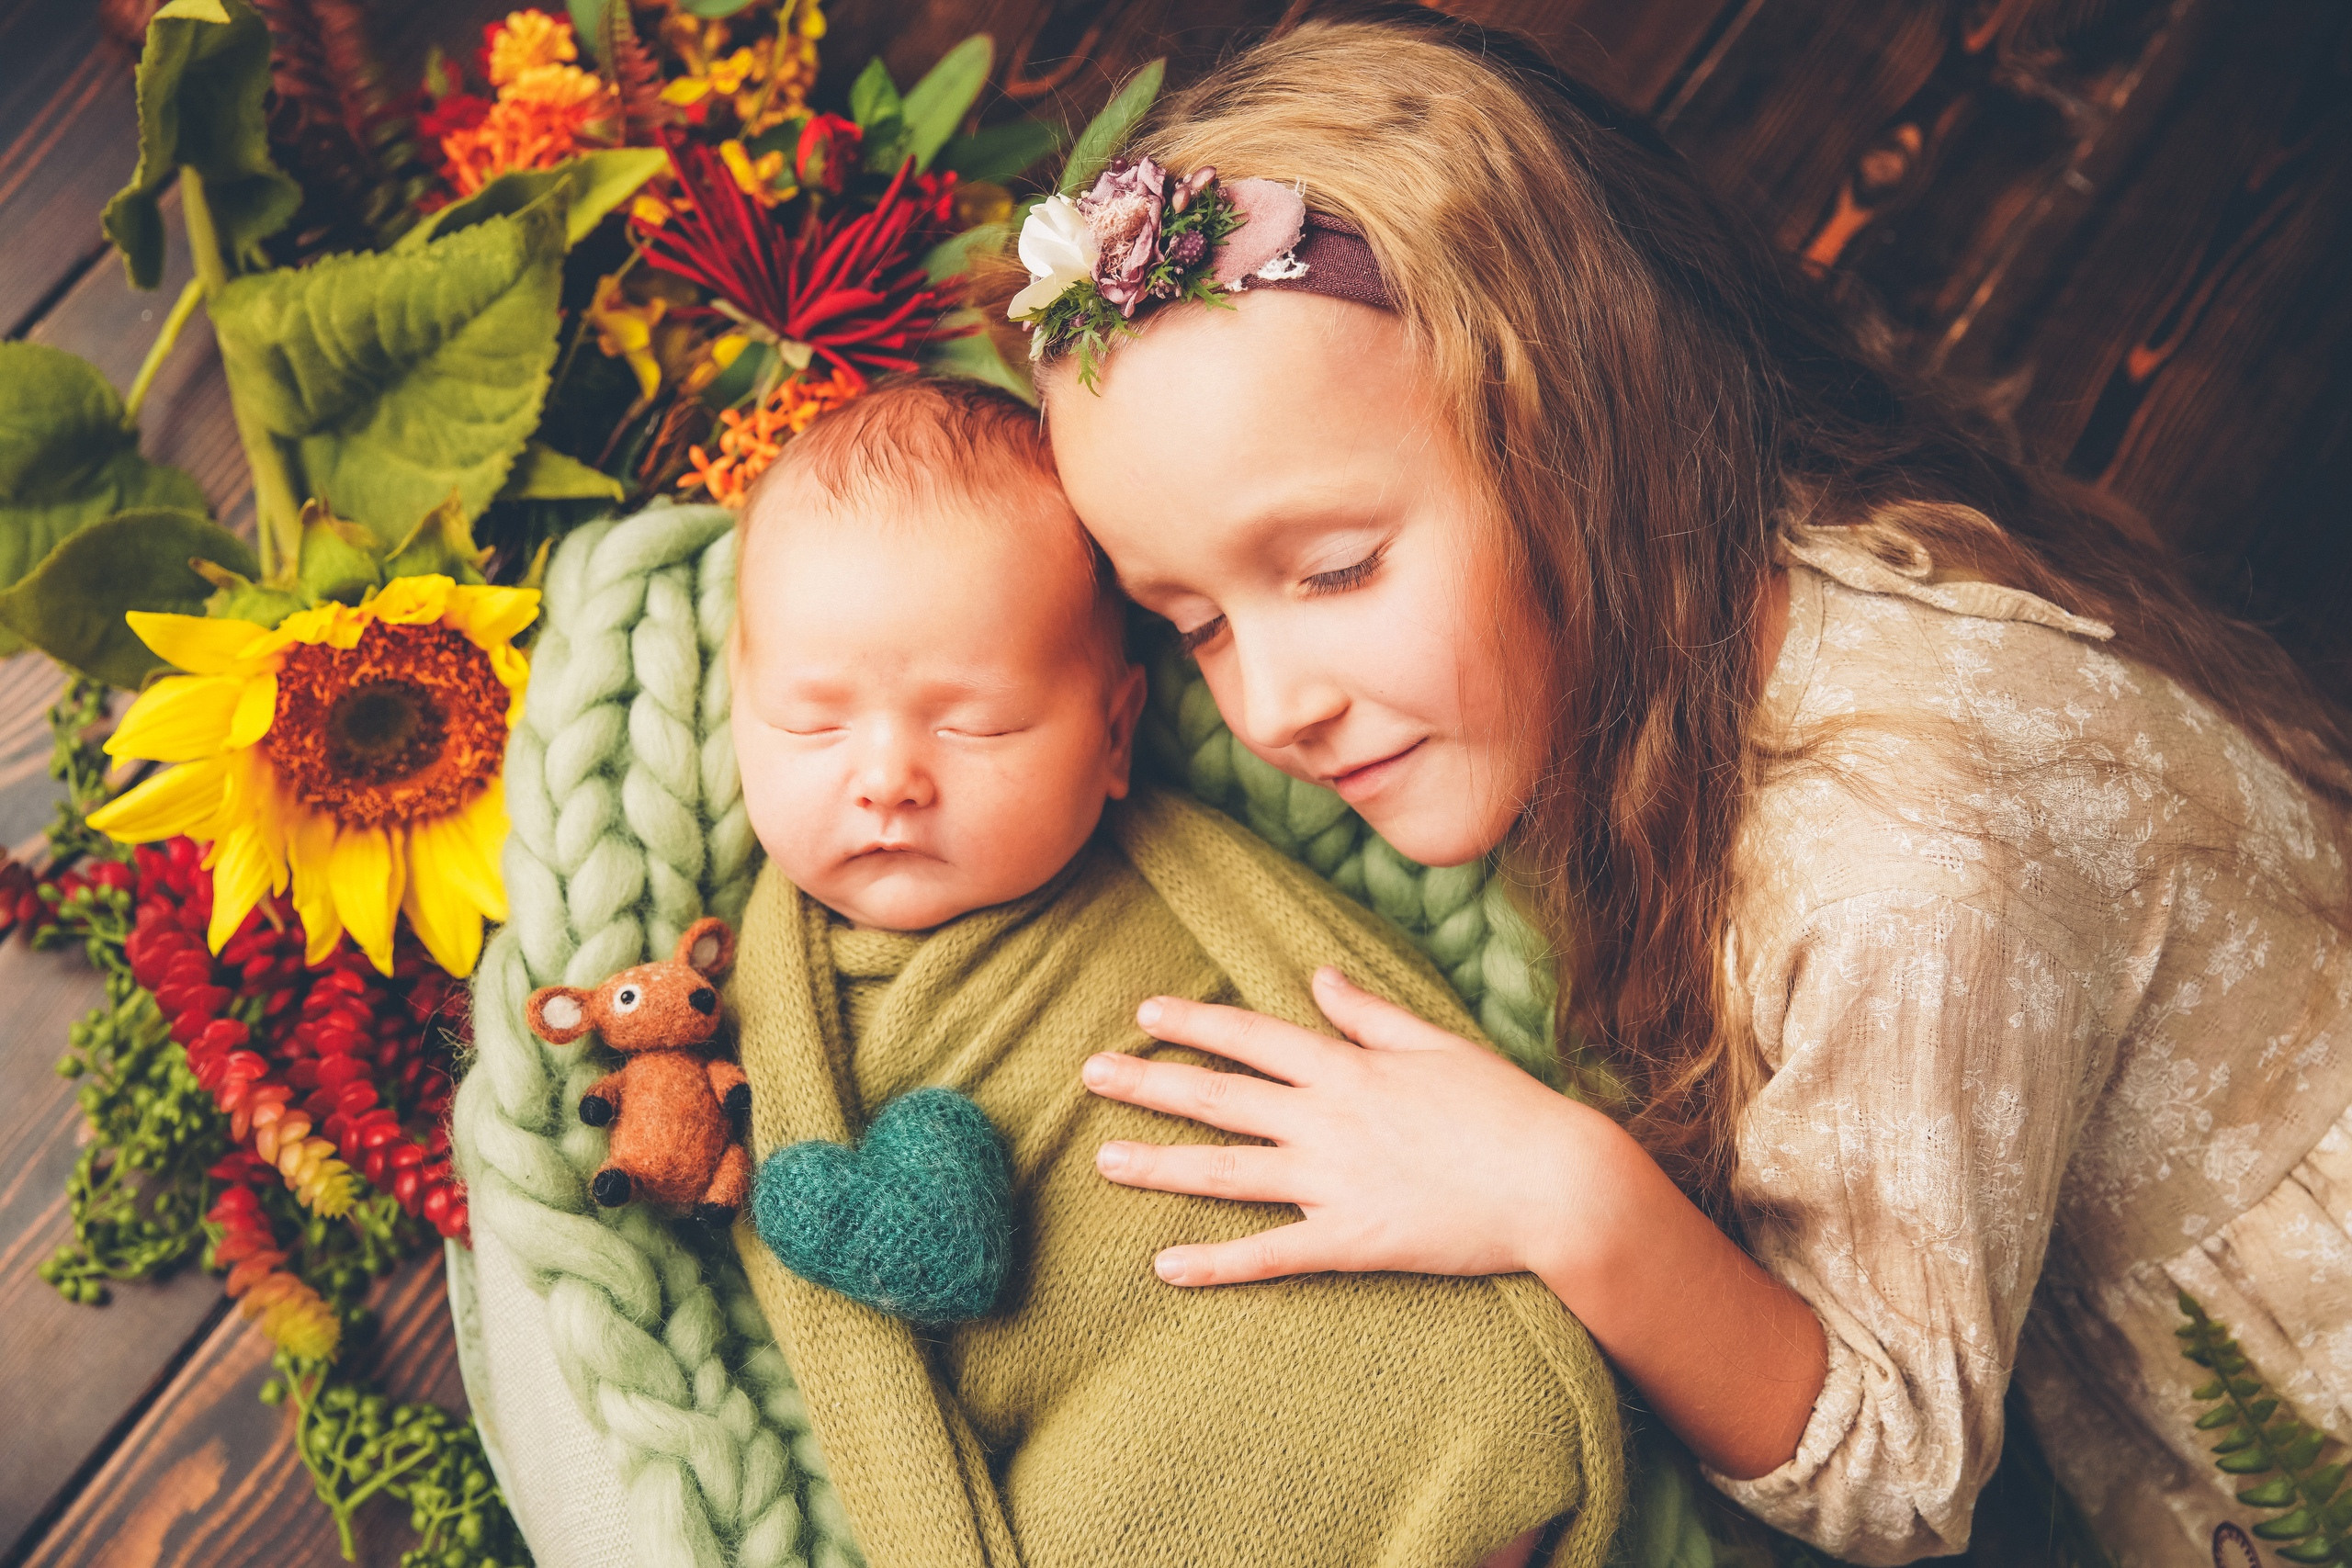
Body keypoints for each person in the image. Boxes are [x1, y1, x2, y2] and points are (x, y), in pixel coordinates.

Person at [1006, 8, 2352, 1565]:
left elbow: (1898, 1474)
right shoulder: (1683, 606)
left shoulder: (1902, 867)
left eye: (1338, 569)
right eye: (1192, 627)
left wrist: (1565, 1192)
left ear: (1573, 431)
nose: (1273, 705)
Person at [722, 376, 1623, 1568]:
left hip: (1382, 1337)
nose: (887, 776)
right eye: (810, 723)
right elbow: (835, 1358)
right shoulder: (752, 1015)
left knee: (1464, 1384)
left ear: (1112, 735)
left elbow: (1377, 1020)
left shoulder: (1189, 876)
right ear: (738, 710)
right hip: (1106, 1429)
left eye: (975, 725)